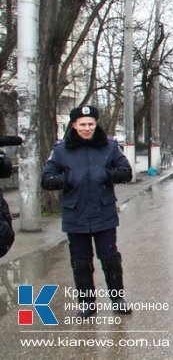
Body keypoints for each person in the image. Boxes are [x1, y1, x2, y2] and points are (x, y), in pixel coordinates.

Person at [41, 105, 133, 319]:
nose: (87, 128)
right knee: (80, 262)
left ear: (95, 124)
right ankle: (87, 303)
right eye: (82, 124)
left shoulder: (109, 147)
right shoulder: (61, 149)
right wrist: (67, 179)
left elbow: (125, 171)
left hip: (103, 212)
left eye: (90, 124)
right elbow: (46, 179)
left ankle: (117, 299)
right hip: (76, 215)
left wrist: (106, 174)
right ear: (74, 125)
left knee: (110, 258)